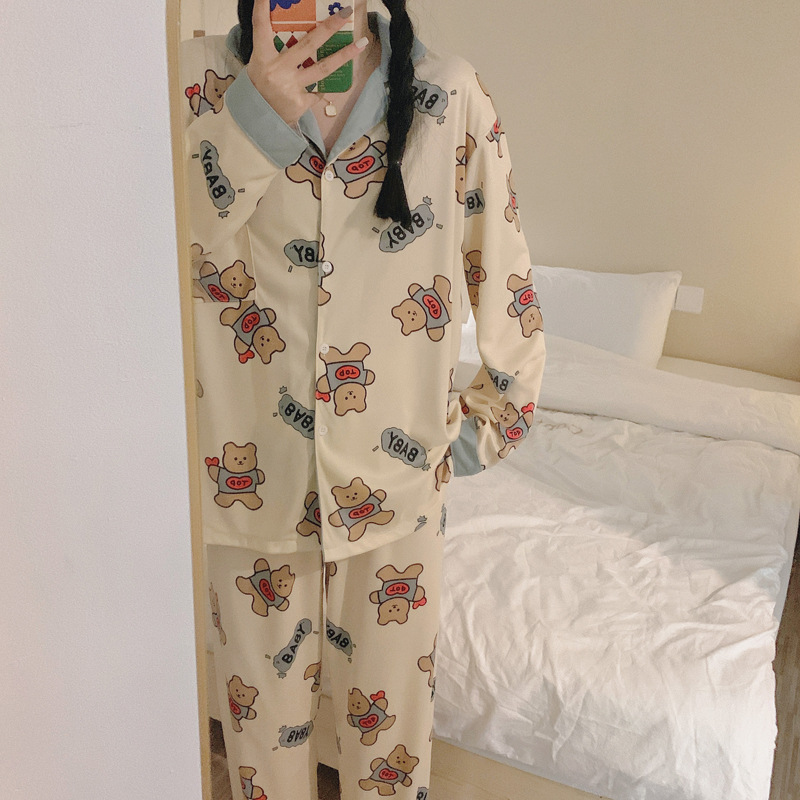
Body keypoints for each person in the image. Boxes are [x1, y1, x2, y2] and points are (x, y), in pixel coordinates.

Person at [180, 0, 546, 797]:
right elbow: (151, 249)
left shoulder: (448, 97)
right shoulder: (194, 82)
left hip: (395, 500)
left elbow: (505, 273)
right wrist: (252, 119)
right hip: (248, 494)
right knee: (261, 768)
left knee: (390, 766)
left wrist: (483, 427)